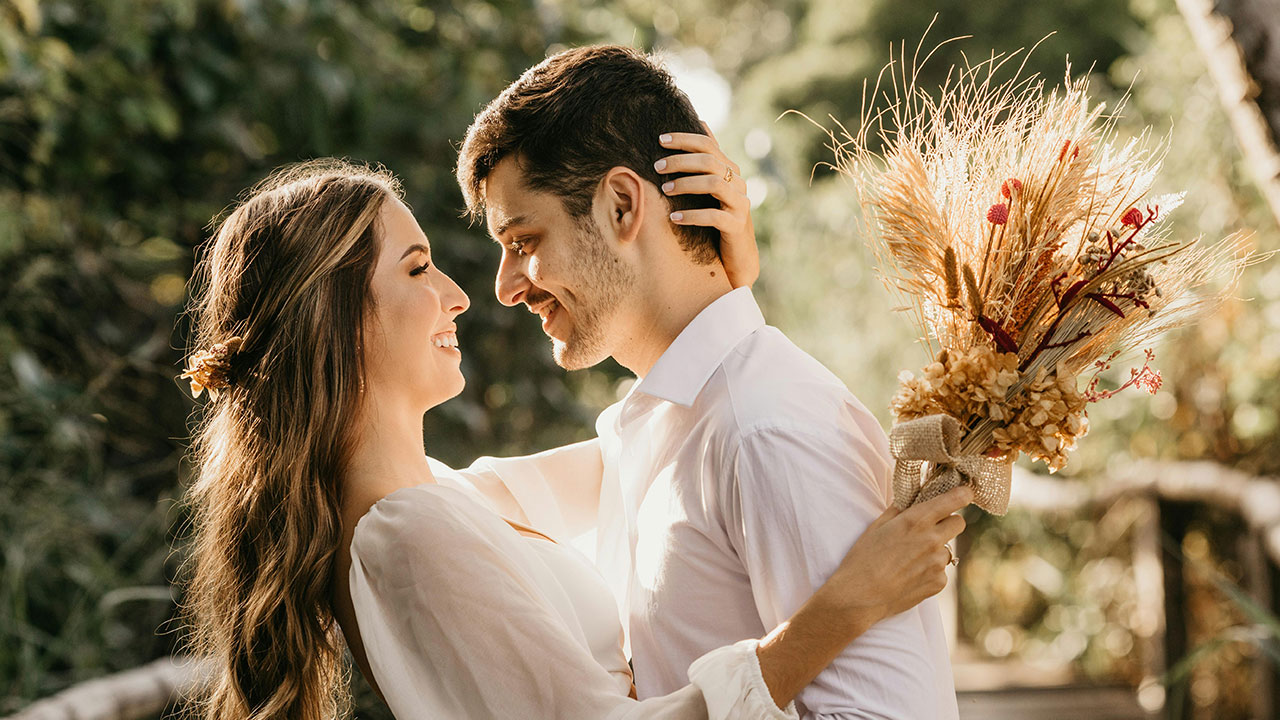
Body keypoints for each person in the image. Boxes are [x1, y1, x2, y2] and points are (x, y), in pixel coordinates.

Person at [180, 158, 970, 720]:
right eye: (418, 269)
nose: (460, 295)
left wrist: (717, 294)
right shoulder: (407, 535)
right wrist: (842, 609)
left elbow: (655, 441)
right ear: (336, 318)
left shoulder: (444, 501)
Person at [452, 44, 962, 718]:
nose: (507, 286)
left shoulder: (768, 428)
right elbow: (448, 499)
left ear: (622, 207)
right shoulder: (658, 426)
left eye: (524, 240)